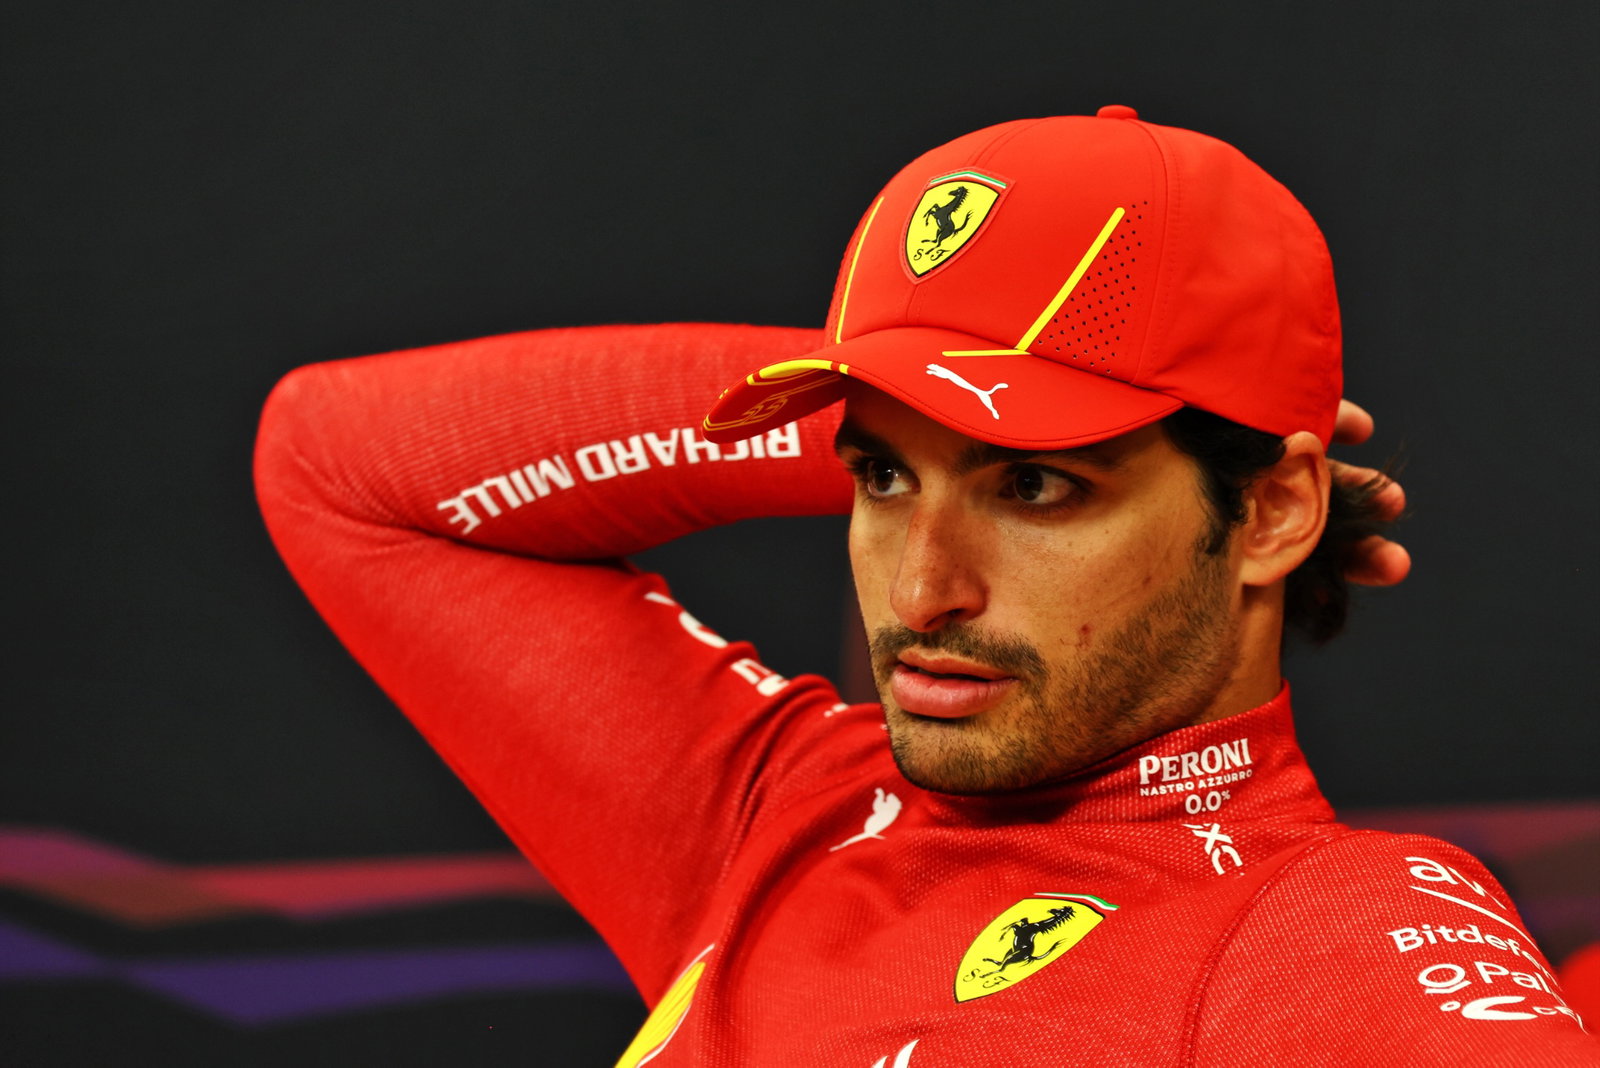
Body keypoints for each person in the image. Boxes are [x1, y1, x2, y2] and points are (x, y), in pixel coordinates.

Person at [254, 107, 1595, 1065]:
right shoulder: (775, 812)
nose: (923, 588)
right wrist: (899, 379)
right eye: (882, 478)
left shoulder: (1333, 931)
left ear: (1272, 512)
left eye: (1036, 487)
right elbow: (341, 468)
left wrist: (928, 400)